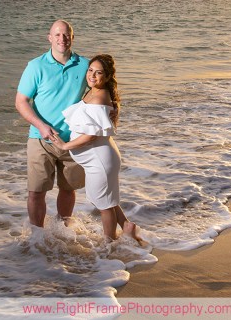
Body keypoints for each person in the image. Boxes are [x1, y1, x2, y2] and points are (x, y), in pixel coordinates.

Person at [50, 54, 141, 243]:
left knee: (105, 206)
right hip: (100, 158)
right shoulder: (93, 91)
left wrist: (65, 145)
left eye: (98, 72)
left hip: (99, 161)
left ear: (106, 76)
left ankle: (109, 244)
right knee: (107, 199)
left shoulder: (99, 97)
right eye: (90, 70)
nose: (92, 75)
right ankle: (127, 226)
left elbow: (90, 135)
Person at [15, 20, 89, 227]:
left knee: (68, 189)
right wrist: (41, 126)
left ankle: (62, 232)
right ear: (49, 38)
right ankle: (37, 237)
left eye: (66, 35)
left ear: (72, 37)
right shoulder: (35, 66)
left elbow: (101, 93)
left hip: (72, 140)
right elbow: (21, 101)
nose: (61, 39)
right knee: (36, 191)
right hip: (40, 140)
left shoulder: (85, 65)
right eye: (57, 35)